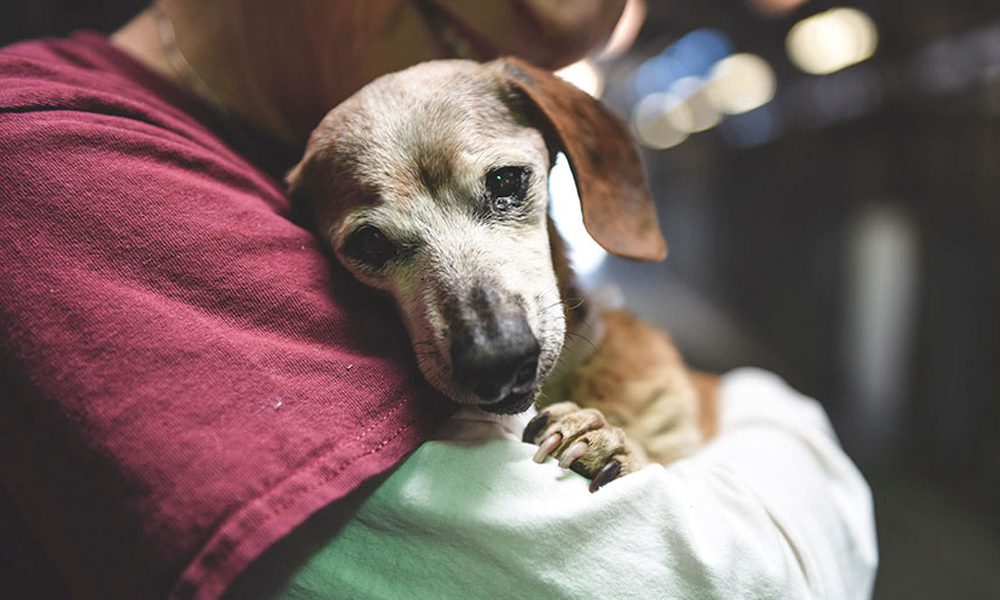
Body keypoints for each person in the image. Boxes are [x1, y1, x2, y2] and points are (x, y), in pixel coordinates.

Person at [0, 1, 876, 598]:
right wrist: (781, 419)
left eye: (505, 187)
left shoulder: (269, 150)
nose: (491, 342)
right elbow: (705, 582)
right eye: (451, 24)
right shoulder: (55, 167)